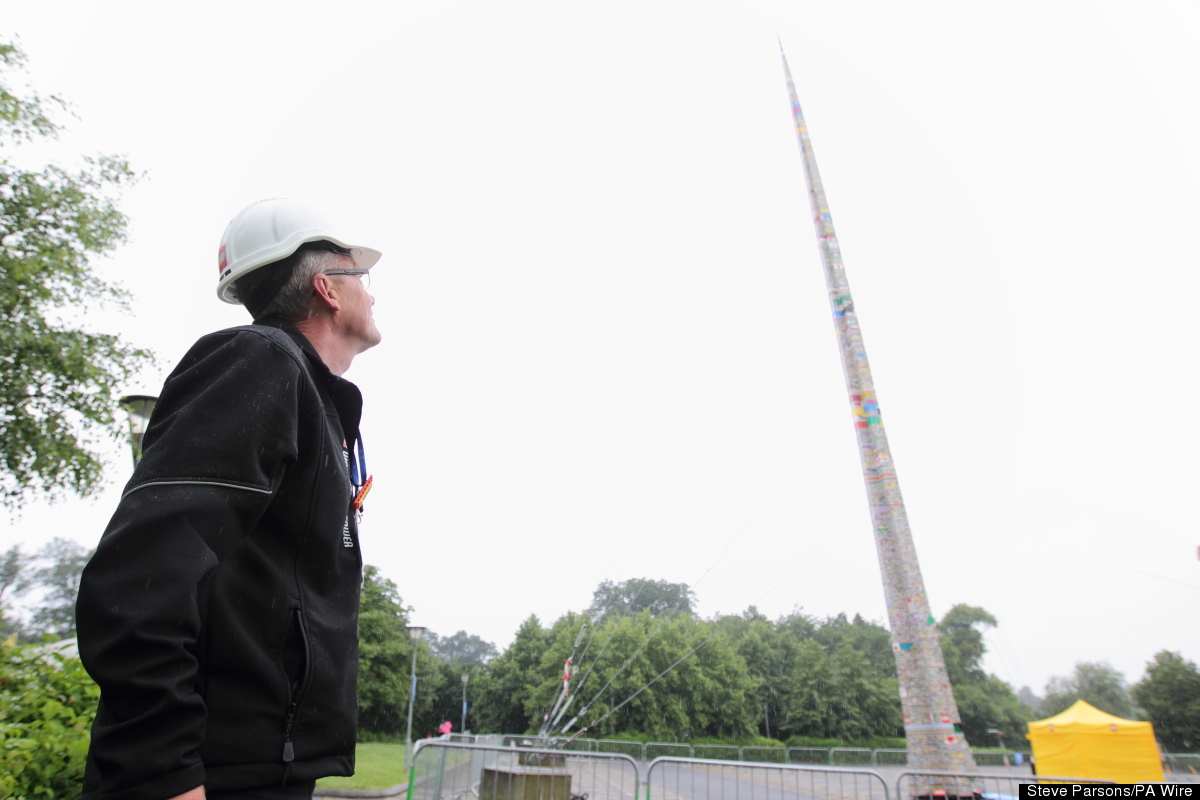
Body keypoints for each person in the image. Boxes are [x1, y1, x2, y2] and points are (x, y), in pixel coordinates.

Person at [77, 198, 383, 800]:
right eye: (361, 276)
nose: (372, 294)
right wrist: (161, 770)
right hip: (210, 775)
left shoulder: (309, 396)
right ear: (326, 288)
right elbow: (137, 578)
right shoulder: (259, 362)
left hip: (267, 768)